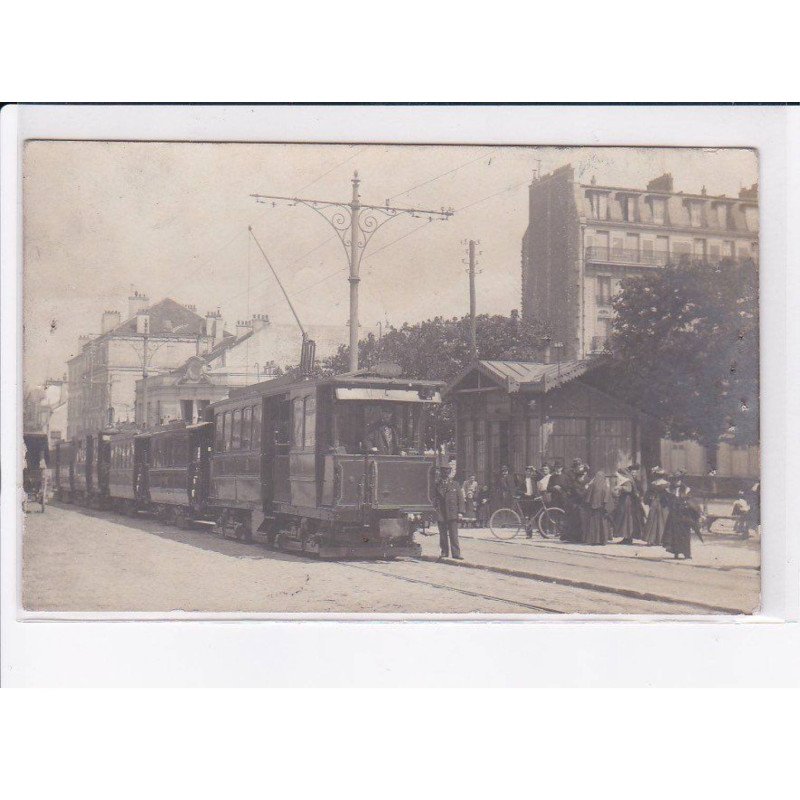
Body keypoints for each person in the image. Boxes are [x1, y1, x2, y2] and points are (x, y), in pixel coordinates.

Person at [435, 466, 464, 560]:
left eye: (447, 473)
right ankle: (444, 552)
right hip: (441, 513)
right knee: (443, 535)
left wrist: (460, 512)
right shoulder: (437, 485)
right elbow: (434, 499)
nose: (445, 476)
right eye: (443, 474)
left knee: (454, 534)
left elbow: (460, 499)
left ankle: (456, 554)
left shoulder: (455, 484)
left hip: (452, 513)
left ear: (449, 474)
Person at [663, 488, 701, 559]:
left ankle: (686, 554)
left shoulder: (689, 501)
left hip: (685, 524)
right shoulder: (676, 501)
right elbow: (672, 510)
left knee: (685, 540)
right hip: (678, 523)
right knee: (676, 539)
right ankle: (677, 553)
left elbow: (695, 512)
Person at [613, 466, 645, 544]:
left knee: (627, 521)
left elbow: (629, 489)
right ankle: (627, 537)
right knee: (627, 521)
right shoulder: (628, 480)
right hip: (628, 503)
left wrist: (620, 488)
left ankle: (628, 537)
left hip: (628, 504)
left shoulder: (627, 481)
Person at [583, 470, 615, 545]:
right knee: (603, 524)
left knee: (593, 524)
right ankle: (603, 540)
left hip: (594, 508)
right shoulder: (606, 486)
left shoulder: (592, 485)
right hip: (602, 509)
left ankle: (594, 540)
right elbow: (608, 498)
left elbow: (587, 498)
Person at [643, 469, 670, 546]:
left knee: (653, 521)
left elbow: (648, 494)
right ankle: (662, 540)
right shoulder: (667, 484)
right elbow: (669, 494)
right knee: (663, 520)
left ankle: (651, 540)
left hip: (655, 502)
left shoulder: (653, 483)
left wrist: (648, 500)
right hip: (664, 503)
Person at [519, 466, 538, 538]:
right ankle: (529, 534)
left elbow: (542, 476)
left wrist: (534, 469)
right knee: (526, 517)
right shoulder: (522, 480)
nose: (528, 472)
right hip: (525, 499)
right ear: (525, 472)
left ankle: (531, 533)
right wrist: (524, 493)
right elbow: (517, 490)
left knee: (532, 516)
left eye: (530, 471)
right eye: (527, 471)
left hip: (533, 499)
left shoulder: (534, 479)